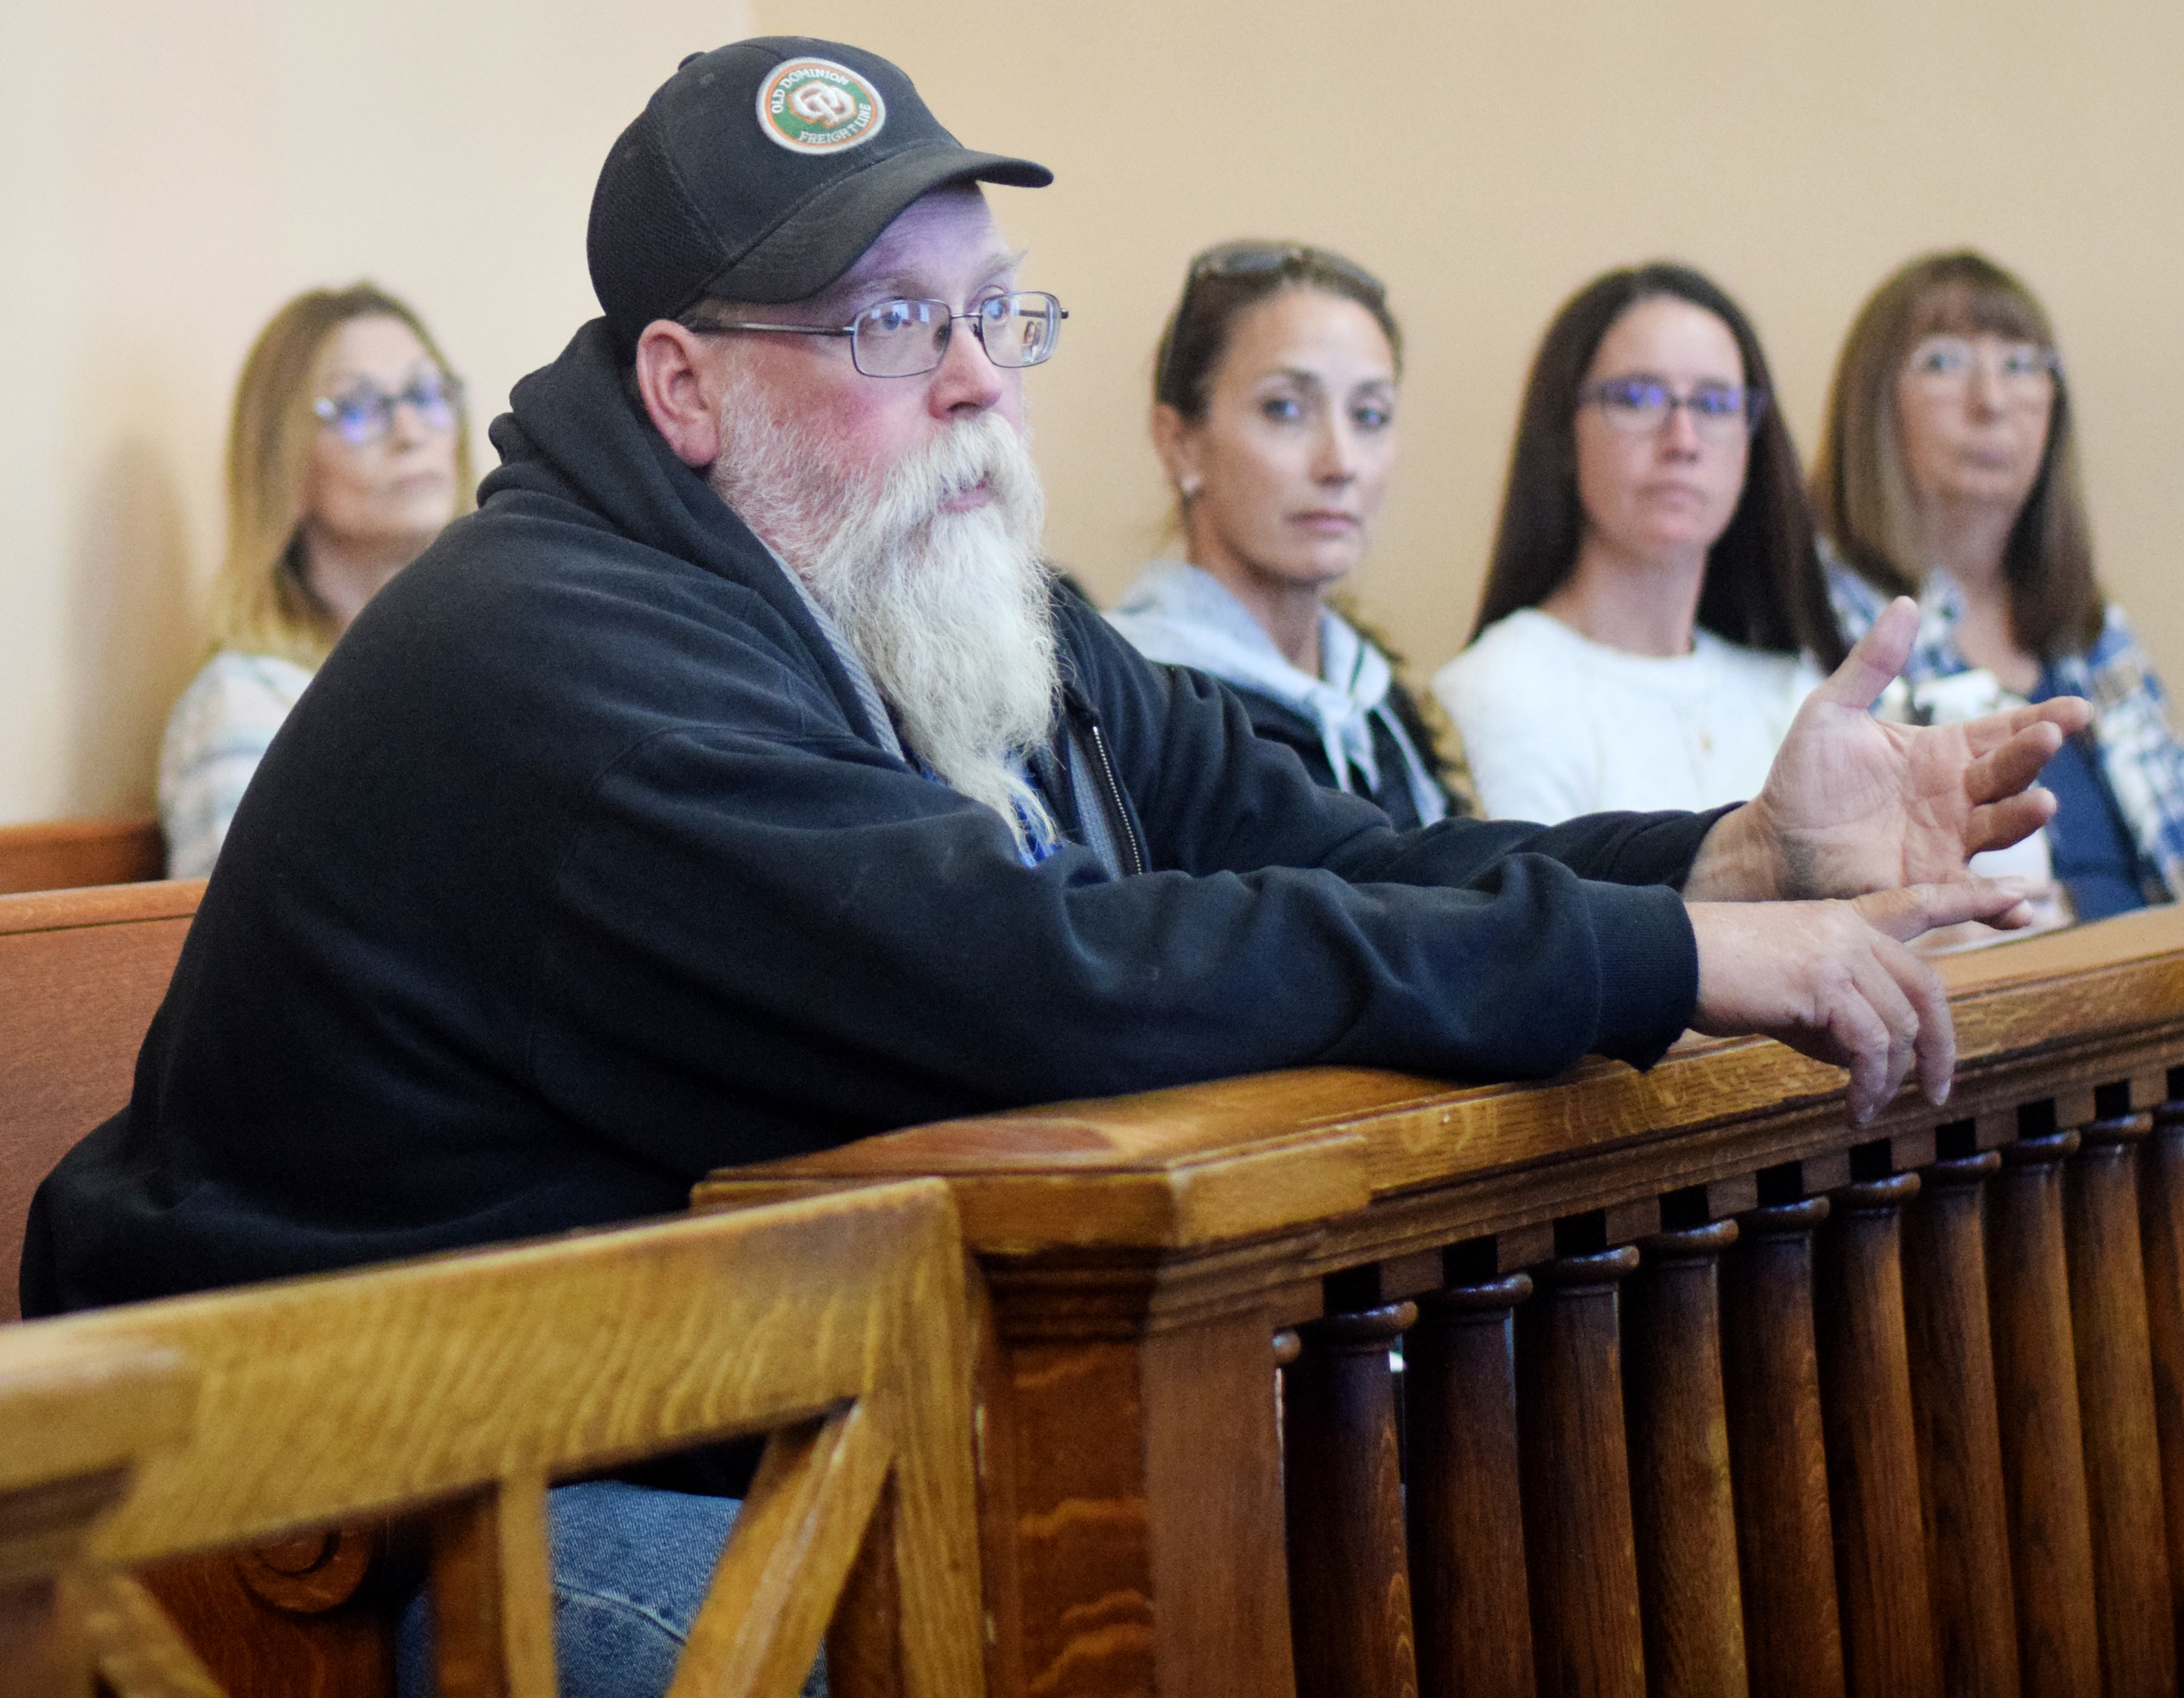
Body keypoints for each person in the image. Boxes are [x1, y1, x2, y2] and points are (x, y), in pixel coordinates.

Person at [24, 38, 2086, 1698]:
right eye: (885, 325)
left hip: (743, 1400)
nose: (975, 380)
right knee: (1077, 1628)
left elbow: (1342, 842)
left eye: (987, 310)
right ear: (685, 386)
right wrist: (1654, 961)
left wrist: (1724, 860)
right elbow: (1037, 988)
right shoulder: (555, 655)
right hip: (368, 1498)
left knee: (1467, 1534)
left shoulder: (942, 585)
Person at [1815, 250, 2184, 921]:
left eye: (2020, 365)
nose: (1991, 401)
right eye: (1945, 362)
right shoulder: (1817, 613)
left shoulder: (2090, 628)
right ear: (1874, 400)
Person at [1434, 264, 1844, 823]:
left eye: (1715, 403)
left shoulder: (1794, 693)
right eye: (1636, 398)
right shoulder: (1500, 689)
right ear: (1562, 436)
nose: (1682, 440)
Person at [1106, 242, 1466, 829]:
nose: (1340, 463)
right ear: (1179, 443)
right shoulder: (1138, 703)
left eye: (1369, 416)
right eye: (1285, 409)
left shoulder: (1381, 699)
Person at [159, 284, 470, 876]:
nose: (410, 431)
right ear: (283, 465)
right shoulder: (245, 702)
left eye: (428, 394)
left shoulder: (491, 659)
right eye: (357, 409)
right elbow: (246, 955)